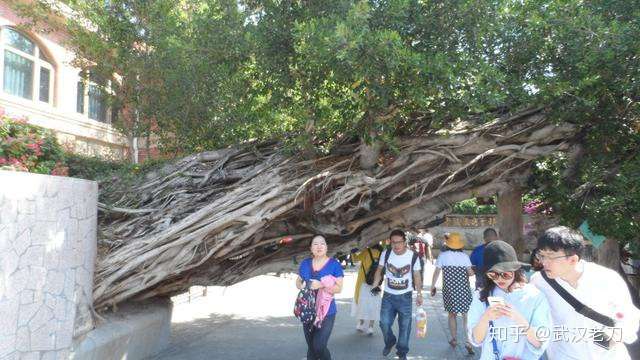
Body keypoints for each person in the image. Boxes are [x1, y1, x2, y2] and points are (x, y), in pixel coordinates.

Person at [530, 226, 640, 360]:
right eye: (541, 255)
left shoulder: (606, 279)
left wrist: (608, 339)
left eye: (551, 257)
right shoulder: (539, 282)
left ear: (573, 260)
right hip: (563, 355)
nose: (544, 262)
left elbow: (629, 317)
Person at [467, 240, 552, 359]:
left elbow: (540, 342)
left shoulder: (534, 296)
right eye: (493, 275)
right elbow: (476, 340)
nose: (499, 279)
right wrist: (486, 318)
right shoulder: (481, 296)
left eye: (505, 274)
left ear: (515, 271)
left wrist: (519, 319)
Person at [371, 229, 423, 360]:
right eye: (393, 242)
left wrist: (420, 293)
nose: (396, 245)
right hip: (388, 296)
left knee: (405, 326)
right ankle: (390, 341)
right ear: (390, 242)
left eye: (399, 242)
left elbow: (417, 275)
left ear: (404, 242)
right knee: (384, 323)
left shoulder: (413, 256)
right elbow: (379, 270)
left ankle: (402, 352)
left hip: (405, 296)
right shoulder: (386, 253)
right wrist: (375, 285)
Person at [296, 235, 344, 360]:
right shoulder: (305, 263)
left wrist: (321, 285)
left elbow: (339, 288)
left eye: (322, 243)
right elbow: (298, 282)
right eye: (315, 244)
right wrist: (300, 284)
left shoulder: (334, 265)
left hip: (327, 311)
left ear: (326, 247)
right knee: (311, 347)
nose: (319, 246)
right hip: (308, 308)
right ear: (310, 248)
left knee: (319, 346)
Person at [430, 232, 475, 354]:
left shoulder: (443, 256)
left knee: (452, 314)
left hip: (449, 290)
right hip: (463, 290)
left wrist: (433, 286)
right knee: (466, 315)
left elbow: (436, 272)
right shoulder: (464, 257)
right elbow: (471, 273)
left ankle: (454, 339)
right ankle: (468, 341)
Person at [351, 243, 384, 335]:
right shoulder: (382, 253)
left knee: (362, 303)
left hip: (364, 282)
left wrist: (352, 252)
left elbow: (355, 259)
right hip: (377, 282)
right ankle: (370, 327)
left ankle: (361, 324)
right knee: (374, 304)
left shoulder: (366, 251)